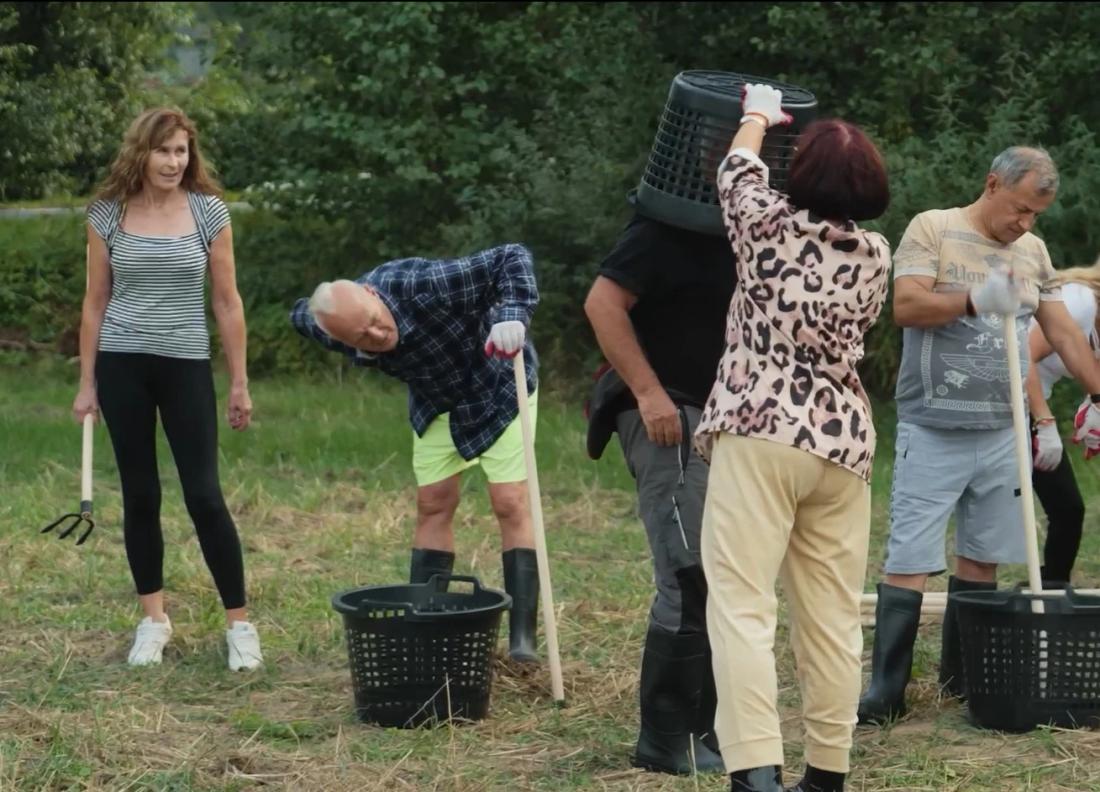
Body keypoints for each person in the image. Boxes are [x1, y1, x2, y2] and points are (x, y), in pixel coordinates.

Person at [858, 146, 1100, 727]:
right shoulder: (934, 229)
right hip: (933, 423)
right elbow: (907, 306)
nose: (1025, 224)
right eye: (1019, 210)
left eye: (1036, 215)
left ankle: (962, 682)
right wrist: (972, 299)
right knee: (911, 555)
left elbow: (1063, 333)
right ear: (992, 184)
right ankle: (886, 688)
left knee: (983, 556)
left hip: (1001, 429)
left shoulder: (1033, 252)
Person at [694, 85, 892, 792]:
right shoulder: (875, 255)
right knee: (833, 620)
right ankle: (828, 775)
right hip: (842, 443)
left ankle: (754, 773)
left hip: (759, 429)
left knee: (743, 604)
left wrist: (759, 113)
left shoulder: (763, 226)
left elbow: (736, 171)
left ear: (799, 176)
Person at [72, 107, 261, 670]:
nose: (174, 162)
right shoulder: (107, 214)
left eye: (181, 152)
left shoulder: (209, 212)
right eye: (164, 151)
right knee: (141, 495)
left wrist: (240, 383)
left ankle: (240, 626)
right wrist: (87, 384)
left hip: (185, 364)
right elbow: (95, 301)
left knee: (203, 495)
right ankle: (153, 620)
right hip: (122, 364)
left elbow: (227, 302)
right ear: (142, 153)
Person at [289, 245, 542, 662]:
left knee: (510, 501)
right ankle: (428, 626)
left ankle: (522, 642)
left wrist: (511, 313)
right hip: (436, 403)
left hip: (499, 387)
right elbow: (301, 313)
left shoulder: (422, 285)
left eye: (373, 322)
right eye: (360, 338)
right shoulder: (332, 326)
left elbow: (511, 257)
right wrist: (342, 326)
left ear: (371, 294)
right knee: (433, 503)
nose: (375, 336)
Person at [583, 197, 737, 769]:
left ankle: (710, 729)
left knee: (722, 574)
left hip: (719, 420)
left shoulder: (748, 225)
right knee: (687, 571)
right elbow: (602, 304)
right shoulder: (662, 226)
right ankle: (665, 740)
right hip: (667, 416)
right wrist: (649, 393)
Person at [1026, 259, 1100, 586]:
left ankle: (1051, 592)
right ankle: (1044, 597)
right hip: (1006, 406)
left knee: (1068, 511)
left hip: (1029, 406)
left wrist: (1094, 407)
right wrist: (1044, 421)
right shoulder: (1078, 301)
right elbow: (1019, 353)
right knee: (1065, 508)